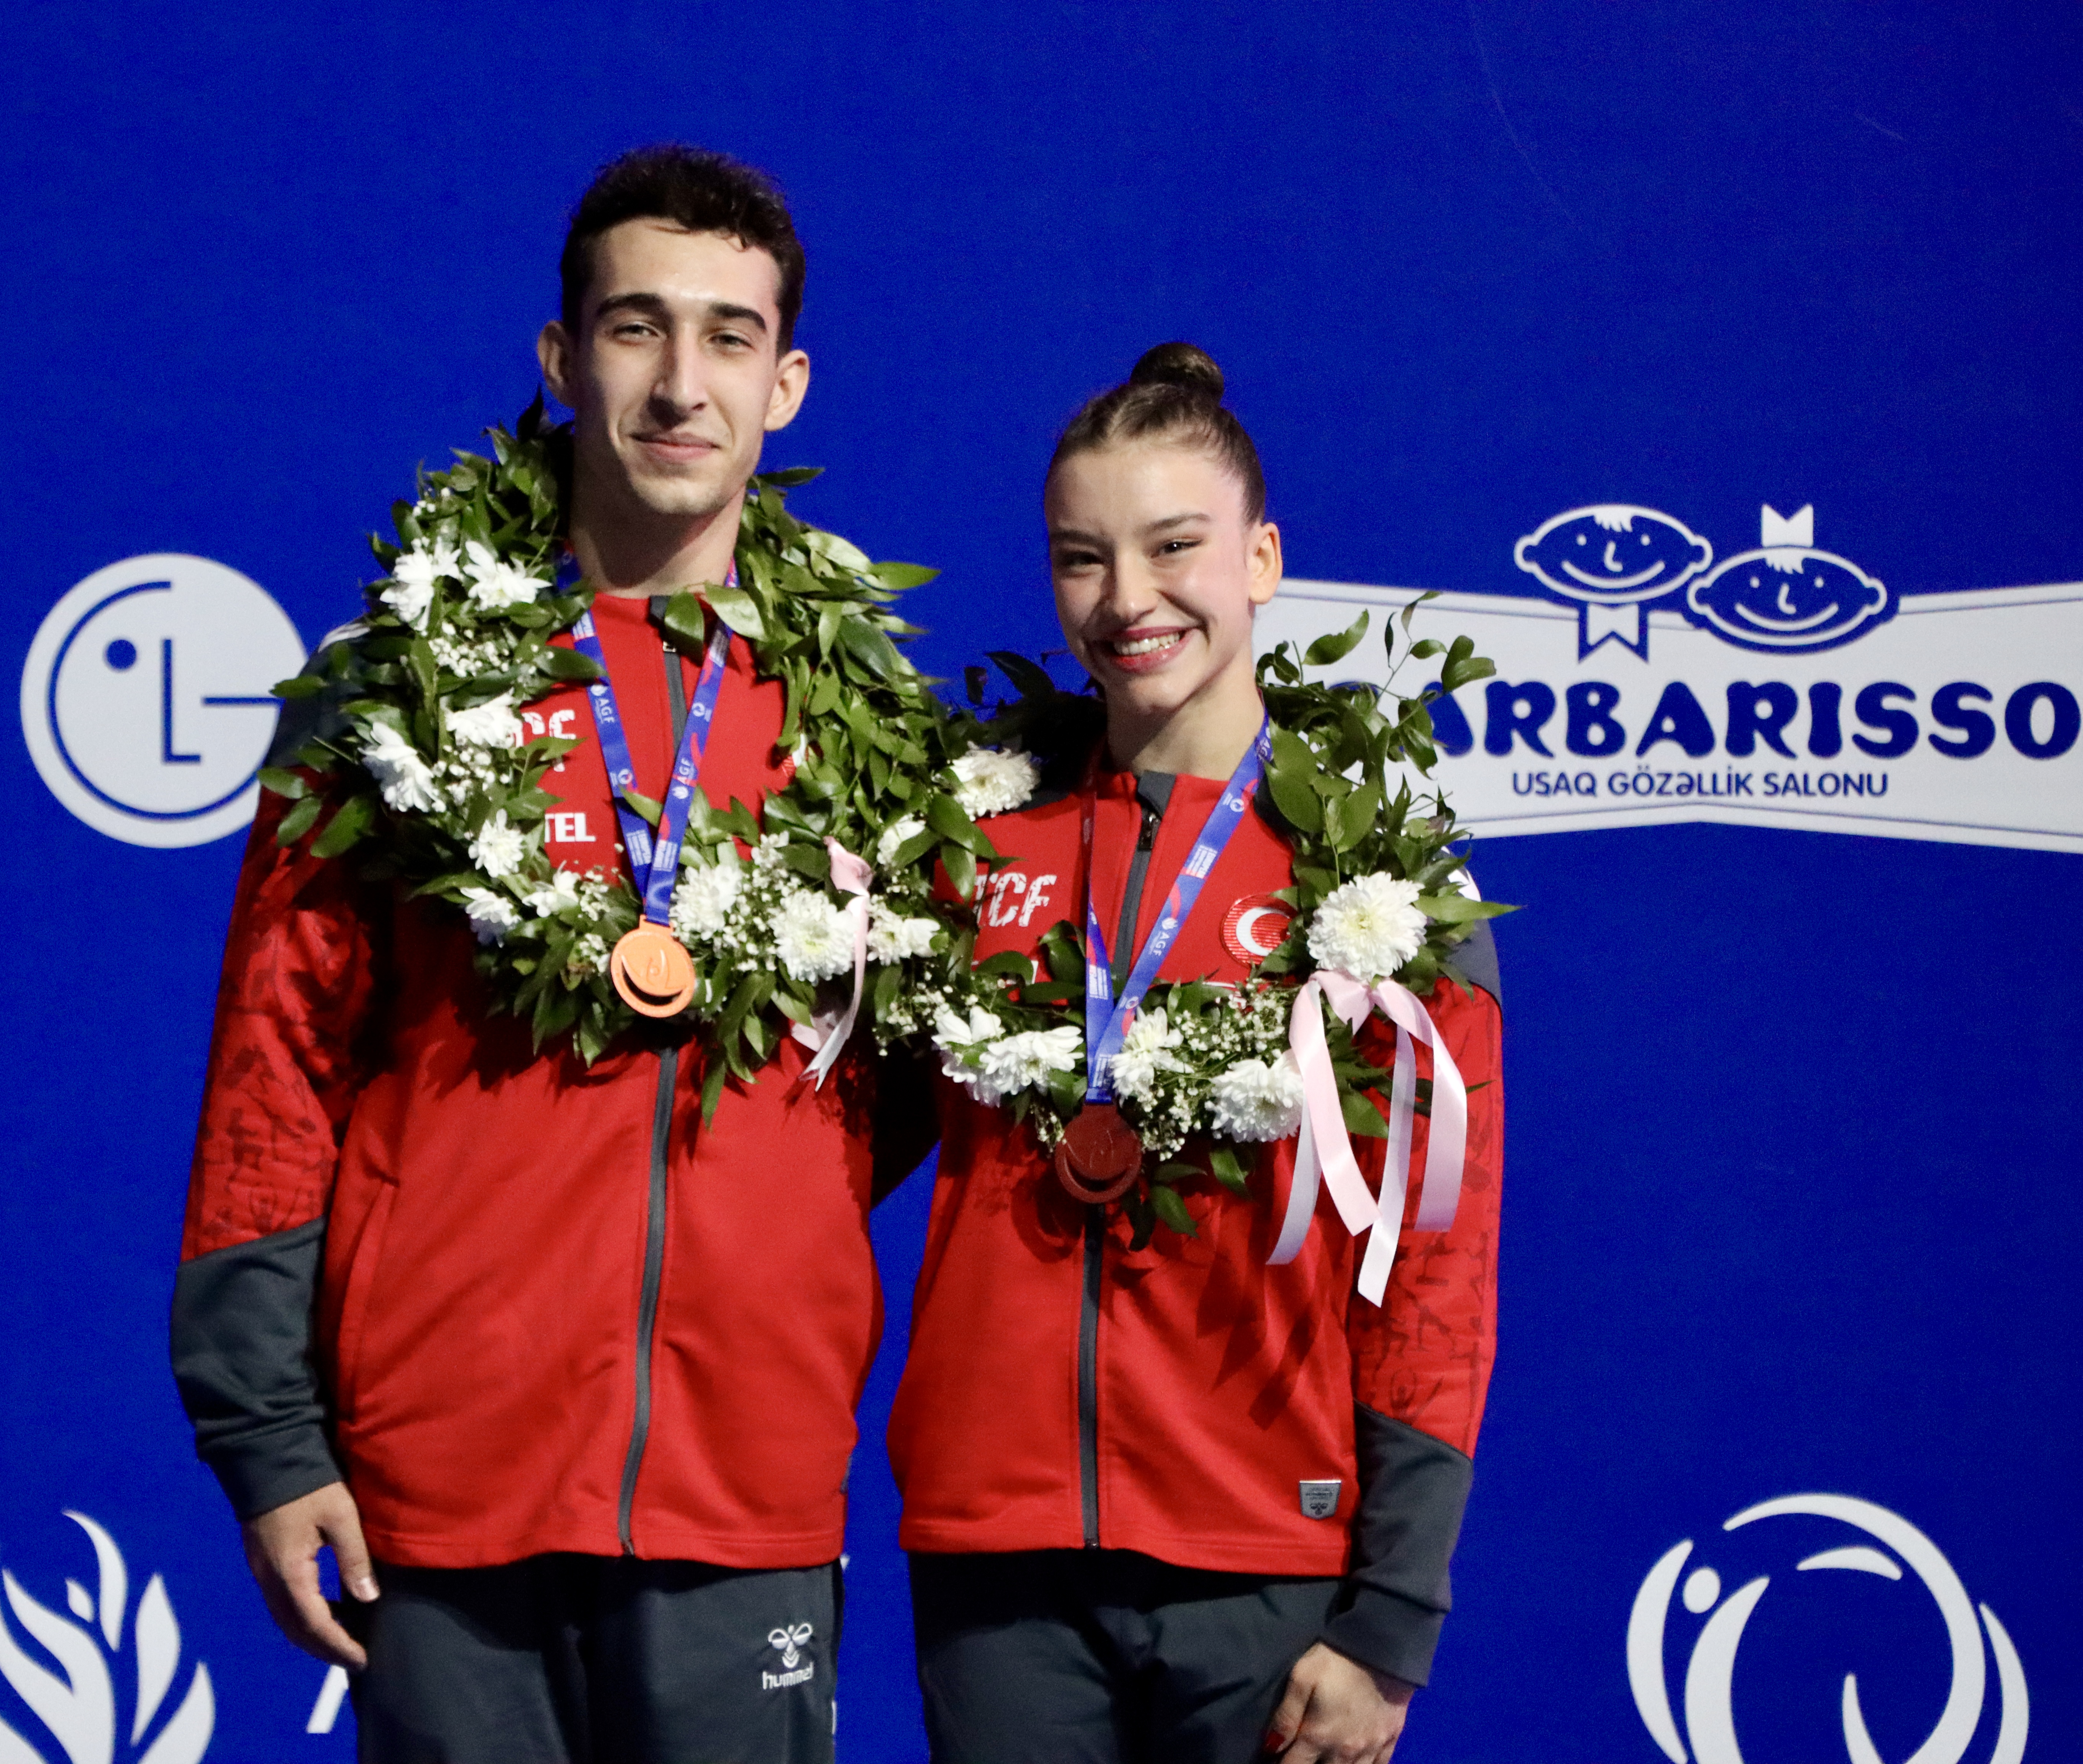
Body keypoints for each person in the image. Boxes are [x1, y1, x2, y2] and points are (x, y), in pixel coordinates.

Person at [171, 145, 929, 1764]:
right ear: (560, 354)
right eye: (636, 326)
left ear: (787, 383)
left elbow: (908, 1079)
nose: (679, 382)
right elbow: (273, 1069)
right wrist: (271, 1437)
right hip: (440, 1480)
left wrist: (756, 1231)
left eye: (730, 337)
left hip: (746, 1481)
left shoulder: (875, 732)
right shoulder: (395, 690)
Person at [886, 344, 1506, 1764]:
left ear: (1264, 556)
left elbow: (1436, 1276)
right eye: (1082, 559)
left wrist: (1389, 1620)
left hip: (1267, 1567)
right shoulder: (971, 849)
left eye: (1176, 547)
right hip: (999, 1564)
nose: (1128, 601)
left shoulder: (1382, 889)